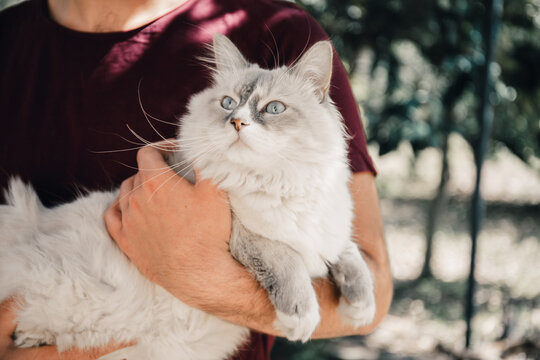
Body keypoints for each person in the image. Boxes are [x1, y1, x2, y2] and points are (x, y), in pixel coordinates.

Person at [0, 0, 393, 359]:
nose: (239, 118)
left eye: (269, 108)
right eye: (229, 104)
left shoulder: (283, 32)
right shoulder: (9, 37)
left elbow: (371, 298)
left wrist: (204, 278)